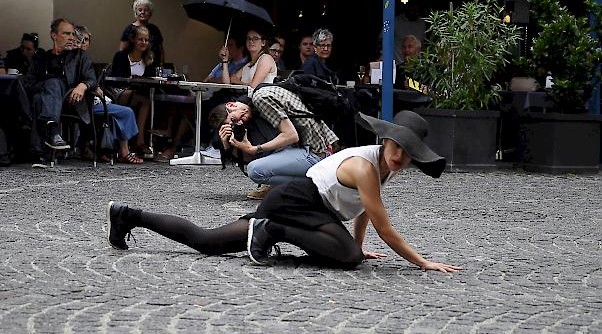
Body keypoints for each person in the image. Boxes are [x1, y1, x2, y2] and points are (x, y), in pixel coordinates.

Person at [106, 110, 462, 273]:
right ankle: (270, 230)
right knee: (347, 258)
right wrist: (423, 263)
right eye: (396, 147)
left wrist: (359, 243)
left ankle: (127, 215)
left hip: (308, 209)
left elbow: (368, 209)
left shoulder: (385, 166)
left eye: (407, 152)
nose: (400, 156)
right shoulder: (366, 167)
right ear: (384, 141)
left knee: (207, 241)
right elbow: (385, 226)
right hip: (296, 201)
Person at [212, 82, 339, 199]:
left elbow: (290, 136)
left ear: (231, 105)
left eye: (234, 119)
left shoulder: (260, 100)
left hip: (315, 152)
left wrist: (253, 149)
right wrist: (227, 145)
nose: (240, 122)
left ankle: (316, 183)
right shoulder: (254, 101)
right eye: (234, 124)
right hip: (316, 146)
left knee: (255, 170)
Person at [24, 18, 97, 165]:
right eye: (66, 34)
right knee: (51, 85)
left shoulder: (79, 56)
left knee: (41, 98)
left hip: (69, 100)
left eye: (72, 34)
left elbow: (91, 78)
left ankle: (40, 151)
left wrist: (82, 86)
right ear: (54, 35)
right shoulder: (41, 58)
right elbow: (29, 83)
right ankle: (52, 132)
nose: (71, 37)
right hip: (46, 94)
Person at [76, 25, 142, 164]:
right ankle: (124, 152)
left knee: (113, 115)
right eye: (80, 39)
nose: (83, 43)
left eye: (86, 40)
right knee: (126, 112)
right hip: (84, 102)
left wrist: (95, 86)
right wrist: (93, 86)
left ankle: (107, 150)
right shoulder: (76, 59)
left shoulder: (85, 58)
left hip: (95, 100)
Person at [111, 25, 154, 156]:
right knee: (145, 100)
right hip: (118, 91)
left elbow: (150, 79)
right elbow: (117, 78)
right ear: (133, 40)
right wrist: (134, 81)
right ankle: (139, 141)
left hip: (138, 93)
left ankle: (142, 140)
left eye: (146, 40)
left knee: (147, 99)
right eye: (140, 39)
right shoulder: (121, 56)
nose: (143, 43)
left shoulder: (148, 60)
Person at [219, 29, 277, 96]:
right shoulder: (249, 64)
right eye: (248, 38)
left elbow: (253, 87)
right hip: (243, 99)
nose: (251, 41)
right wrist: (225, 60)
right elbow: (227, 84)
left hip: (256, 102)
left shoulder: (265, 58)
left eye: (255, 38)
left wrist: (238, 82)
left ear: (263, 42)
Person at [119, 0, 164, 68]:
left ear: (150, 13)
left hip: (153, 68)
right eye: (140, 10)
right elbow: (122, 51)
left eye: (146, 10)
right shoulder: (129, 29)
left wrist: (161, 66)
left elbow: (160, 50)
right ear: (136, 12)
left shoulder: (154, 29)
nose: (142, 12)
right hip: (133, 68)